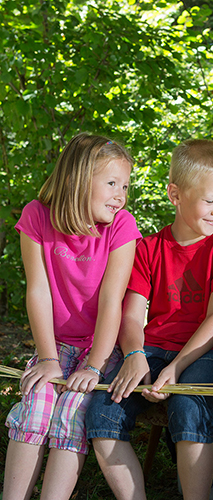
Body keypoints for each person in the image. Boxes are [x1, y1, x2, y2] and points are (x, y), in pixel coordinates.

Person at [85, 138, 213, 500]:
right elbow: (131, 316)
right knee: (101, 413)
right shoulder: (147, 249)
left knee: (186, 401)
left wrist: (175, 368)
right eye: (210, 200)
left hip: (211, 352)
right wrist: (134, 355)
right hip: (154, 348)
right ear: (175, 195)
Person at [3, 133, 142, 500]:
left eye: (125, 186)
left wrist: (94, 367)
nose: (120, 194)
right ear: (76, 179)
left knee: (71, 413)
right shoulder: (37, 216)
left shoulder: (121, 226)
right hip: (57, 344)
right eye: (112, 183)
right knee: (35, 405)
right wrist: (47, 359)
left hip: (100, 347)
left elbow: (113, 300)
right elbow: (39, 291)